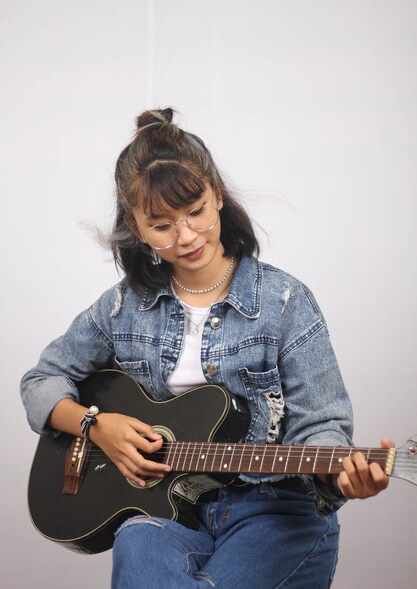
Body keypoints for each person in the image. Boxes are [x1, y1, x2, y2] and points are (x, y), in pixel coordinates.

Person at [21, 108, 392, 588]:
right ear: (136, 229)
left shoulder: (284, 302)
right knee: (137, 542)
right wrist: (97, 426)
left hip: (275, 514)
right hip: (173, 512)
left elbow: (322, 424)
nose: (187, 235)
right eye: (162, 225)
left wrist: (340, 474)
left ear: (217, 193)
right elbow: (39, 381)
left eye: (195, 211)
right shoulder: (121, 308)